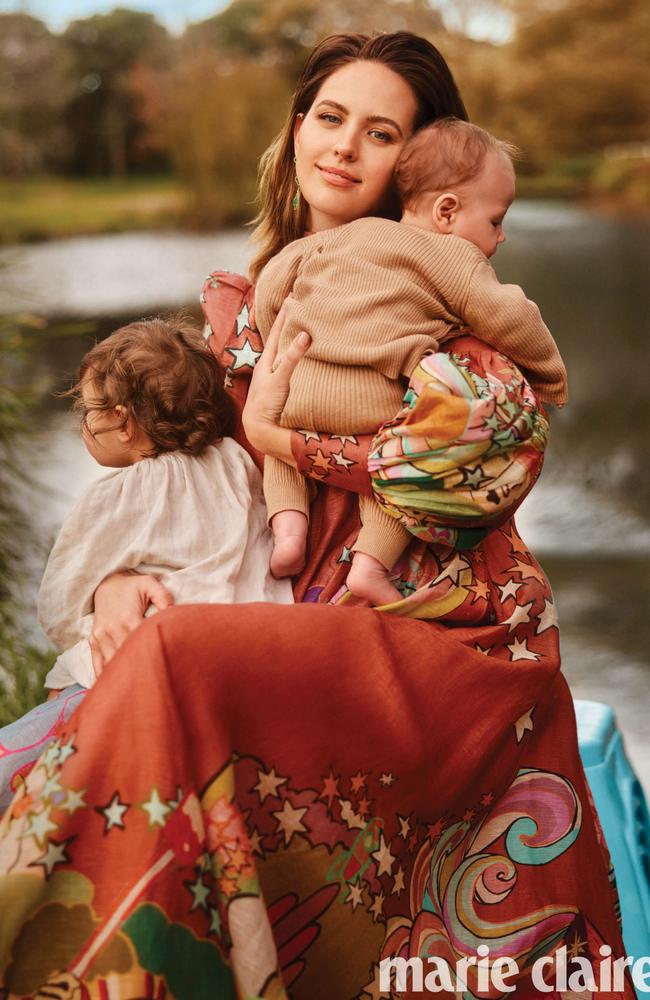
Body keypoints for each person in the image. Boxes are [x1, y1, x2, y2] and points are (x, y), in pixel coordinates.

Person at [0, 31, 633, 1000]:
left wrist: (280, 435)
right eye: (327, 118)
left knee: (179, 659)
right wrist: (120, 575)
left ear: (422, 166)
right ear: (297, 129)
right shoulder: (246, 310)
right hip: (294, 621)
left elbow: (451, 474)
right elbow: (191, 485)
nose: (340, 146)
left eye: (378, 132)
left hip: (440, 640)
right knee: (68, 720)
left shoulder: (456, 315)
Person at [255, 118, 568, 605]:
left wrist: (278, 330)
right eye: (495, 221)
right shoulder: (454, 258)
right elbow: (510, 317)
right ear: (447, 211)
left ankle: (289, 534)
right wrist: (548, 377)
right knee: (391, 470)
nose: (501, 237)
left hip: (298, 387)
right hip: (372, 404)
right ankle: (370, 564)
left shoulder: (345, 236)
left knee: (282, 454)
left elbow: (275, 280)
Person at [0, 317, 291, 812]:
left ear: (124, 422)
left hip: (143, 672)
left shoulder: (121, 495)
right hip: (248, 660)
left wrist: (95, 600)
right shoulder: (236, 465)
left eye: (89, 411)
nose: (83, 425)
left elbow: (58, 607)